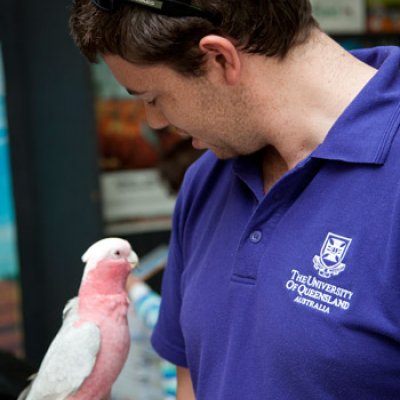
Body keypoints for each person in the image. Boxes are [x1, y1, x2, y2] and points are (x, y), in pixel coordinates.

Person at [70, 1, 400, 398]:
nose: (154, 122)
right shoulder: (205, 180)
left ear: (220, 58)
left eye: (153, 97)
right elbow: (192, 379)